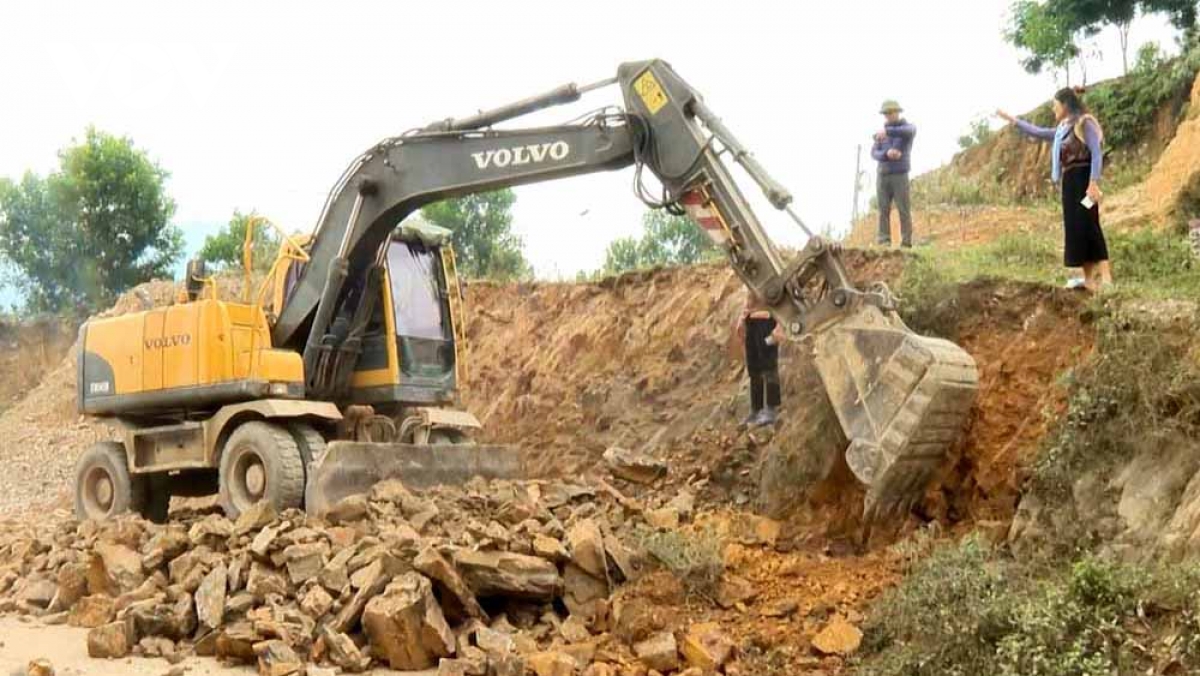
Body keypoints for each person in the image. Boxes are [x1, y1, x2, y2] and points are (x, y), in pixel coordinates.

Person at [997, 88, 1112, 291]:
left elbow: (1096, 153)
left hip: (1084, 181)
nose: (1053, 109)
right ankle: (1089, 280)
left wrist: (1093, 182)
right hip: (1069, 184)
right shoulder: (1061, 130)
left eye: (1055, 105)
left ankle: (1107, 278)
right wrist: (1013, 120)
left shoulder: (1084, 123)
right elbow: (1038, 132)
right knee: (1076, 228)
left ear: (1065, 105)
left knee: (1090, 224)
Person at [872, 100, 917, 248]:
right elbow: (874, 152)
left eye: (890, 112)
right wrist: (886, 154)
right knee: (883, 209)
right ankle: (884, 241)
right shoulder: (881, 133)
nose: (888, 116)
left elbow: (909, 131)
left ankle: (906, 242)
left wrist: (888, 132)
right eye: (886, 113)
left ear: (897, 112)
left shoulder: (907, 129)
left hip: (900, 175)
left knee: (903, 209)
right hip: (883, 175)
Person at [735, 291, 784, 427]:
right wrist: (742, 318)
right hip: (751, 322)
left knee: (769, 366)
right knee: (754, 369)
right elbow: (749, 298)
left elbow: (781, 296)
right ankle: (756, 409)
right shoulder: (752, 277)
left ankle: (771, 409)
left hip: (766, 321)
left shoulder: (771, 275)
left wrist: (779, 326)